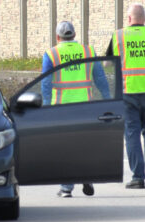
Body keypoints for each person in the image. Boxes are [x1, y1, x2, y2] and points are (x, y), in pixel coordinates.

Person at [41, 21, 111, 197]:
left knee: (65, 148)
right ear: (74, 35)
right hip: (86, 106)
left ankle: (66, 188)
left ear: (57, 37)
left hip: (62, 108)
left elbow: (46, 84)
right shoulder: (88, 51)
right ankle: (86, 175)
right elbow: (100, 78)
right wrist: (108, 100)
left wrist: (45, 106)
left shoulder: (52, 54)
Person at [106, 3, 145, 189]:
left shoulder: (119, 35)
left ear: (129, 19)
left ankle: (138, 177)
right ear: (143, 19)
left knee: (132, 135)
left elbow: (108, 63)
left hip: (128, 93)